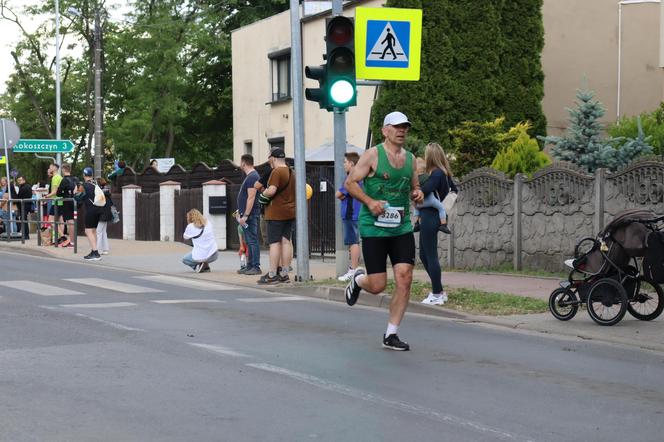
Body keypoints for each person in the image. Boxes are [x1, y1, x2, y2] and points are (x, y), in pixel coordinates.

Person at [344, 111, 424, 351]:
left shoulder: (410, 159)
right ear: (385, 130)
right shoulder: (372, 155)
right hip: (374, 228)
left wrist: (417, 194)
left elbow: (415, 186)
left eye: (405, 127)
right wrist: (369, 202)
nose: (402, 131)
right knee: (378, 285)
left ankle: (391, 334)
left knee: (404, 277)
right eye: (397, 127)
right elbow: (350, 183)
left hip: (401, 227)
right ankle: (358, 280)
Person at [419, 143, 458, 306]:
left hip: (430, 216)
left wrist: (416, 181)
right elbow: (455, 189)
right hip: (432, 216)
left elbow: (424, 190)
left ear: (430, 157)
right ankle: (439, 290)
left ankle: (436, 294)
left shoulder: (435, 174)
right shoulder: (445, 174)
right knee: (423, 255)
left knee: (430, 255)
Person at [257, 148, 295, 284]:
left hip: (276, 213)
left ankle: (272, 274)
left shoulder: (276, 172)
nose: (269, 163)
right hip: (290, 212)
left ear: (273, 159)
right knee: (286, 242)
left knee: (274, 243)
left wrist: (263, 195)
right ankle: (284, 274)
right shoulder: (292, 172)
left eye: (269, 160)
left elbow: (272, 190)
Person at [336, 152, 363, 282]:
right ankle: (354, 268)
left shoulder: (352, 177)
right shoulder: (361, 176)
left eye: (345, 162)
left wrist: (342, 194)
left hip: (350, 213)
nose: (344, 165)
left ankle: (353, 270)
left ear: (352, 163)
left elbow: (339, 194)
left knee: (353, 242)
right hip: (357, 213)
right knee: (354, 241)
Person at [236, 154, 261, 275]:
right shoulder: (251, 176)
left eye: (241, 162)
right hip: (247, 215)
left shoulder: (252, 177)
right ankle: (250, 265)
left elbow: (251, 197)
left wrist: (245, 215)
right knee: (249, 240)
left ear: (244, 163)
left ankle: (255, 266)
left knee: (252, 240)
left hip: (249, 216)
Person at [412, 157, 451, 234]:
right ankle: (443, 225)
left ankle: (417, 223)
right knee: (441, 208)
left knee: (416, 209)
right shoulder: (428, 176)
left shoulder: (414, 178)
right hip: (430, 200)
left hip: (419, 203)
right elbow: (431, 185)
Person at [182, 209, 218, 273]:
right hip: (214, 254)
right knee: (201, 253)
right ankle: (205, 266)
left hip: (201, 255)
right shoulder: (208, 223)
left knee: (185, 259)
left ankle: (200, 264)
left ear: (190, 218)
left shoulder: (190, 226)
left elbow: (185, 237)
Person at [77, 167, 102, 261]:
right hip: (98, 209)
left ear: (84, 175)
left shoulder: (83, 185)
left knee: (88, 231)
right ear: (92, 175)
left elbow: (78, 198)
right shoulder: (95, 184)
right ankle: (94, 250)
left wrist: (76, 191)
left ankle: (95, 253)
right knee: (93, 231)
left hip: (90, 210)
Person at [56, 163, 77, 247]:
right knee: (72, 220)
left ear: (63, 170)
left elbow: (58, 193)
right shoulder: (75, 179)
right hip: (75, 201)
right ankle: (72, 241)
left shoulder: (64, 180)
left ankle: (72, 242)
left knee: (70, 221)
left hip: (67, 202)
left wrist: (62, 191)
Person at [10, 175, 33, 240]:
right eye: (18, 180)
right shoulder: (26, 186)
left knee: (24, 220)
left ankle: (26, 235)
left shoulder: (24, 187)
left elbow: (19, 197)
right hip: (26, 205)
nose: (19, 181)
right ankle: (26, 234)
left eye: (20, 180)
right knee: (24, 220)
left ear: (24, 180)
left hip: (24, 205)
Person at [96, 177, 113, 255]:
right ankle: (105, 249)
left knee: (98, 231)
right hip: (107, 213)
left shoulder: (100, 193)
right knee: (103, 232)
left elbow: (98, 204)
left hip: (102, 214)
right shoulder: (107, 192)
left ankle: (98, 250)